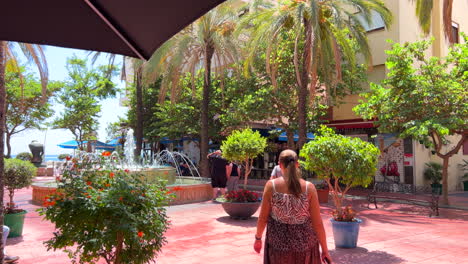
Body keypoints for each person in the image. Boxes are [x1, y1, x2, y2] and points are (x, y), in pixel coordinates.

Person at [254, 150, 332, 264]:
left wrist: (258, 238)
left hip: (278, 248)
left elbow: (262, 218)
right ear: (297, 164)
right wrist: (325, 250)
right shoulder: (309, 188)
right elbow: (317, 223)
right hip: (305, 247)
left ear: (279, 164)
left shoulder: (272, 186)